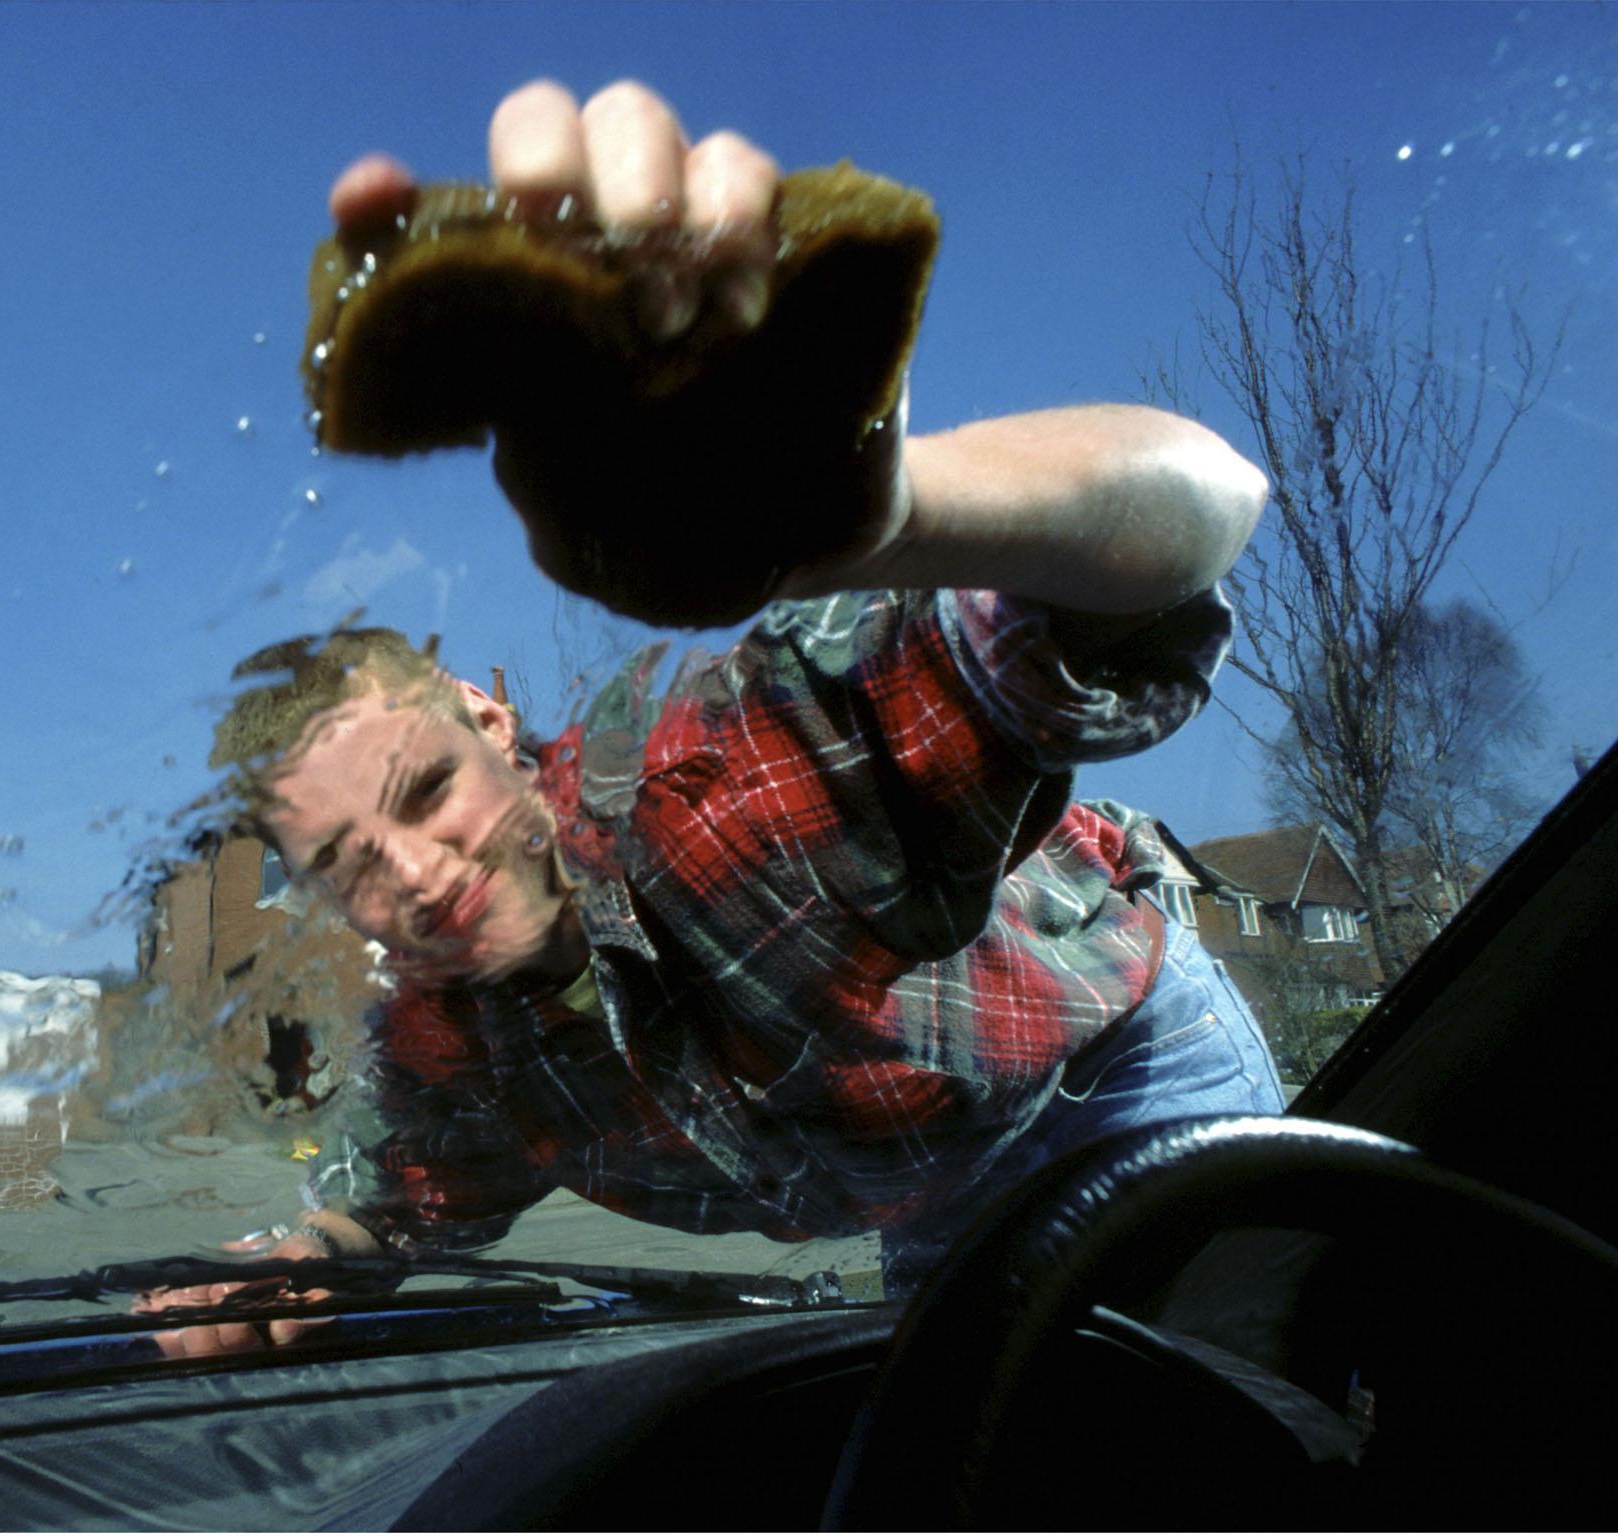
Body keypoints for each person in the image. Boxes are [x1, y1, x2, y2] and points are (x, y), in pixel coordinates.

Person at [137, 79, 1281, 1354]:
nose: (412, 873)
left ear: (487, 719)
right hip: (940, 1197)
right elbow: (405, 1193)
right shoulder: (442, 1039)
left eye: (421, 794)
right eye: (344, 864)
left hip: (1127, 1086)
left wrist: (893, 521)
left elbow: (1203, 513)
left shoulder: (727, 789)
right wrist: (305, 1261)